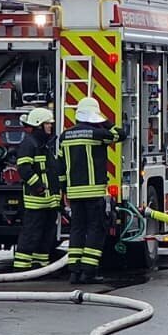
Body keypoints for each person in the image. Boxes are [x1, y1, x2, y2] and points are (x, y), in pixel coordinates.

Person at [59, 95, 119, 285]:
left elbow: (61, 168)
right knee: (95, 229)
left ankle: (74, 272)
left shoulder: (64, 136)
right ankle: (89, 272)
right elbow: (120, 134)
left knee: (77, 229)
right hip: (93, 192)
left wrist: (64, 191)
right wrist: (105, 121)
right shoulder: (97, 134)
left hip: (74, 193)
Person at [12, 107, 60, 273]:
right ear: (39, 125)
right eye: (47, 124)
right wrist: (38, 186)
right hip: (36, 199)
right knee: (31, 233)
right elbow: (24, 169)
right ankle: (21, 267)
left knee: (46, 234)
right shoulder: (29, 143)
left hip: (49, 200)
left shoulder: (45, 144)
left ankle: (40, 265)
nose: (50, 126)